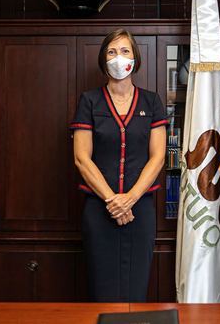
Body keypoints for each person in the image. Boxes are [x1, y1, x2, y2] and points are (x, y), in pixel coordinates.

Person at [70, 29, 167, 302]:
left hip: (141, 210)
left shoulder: (152, 101)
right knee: (102, 291)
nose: (118, 57)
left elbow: (158, 157)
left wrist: (130, 199)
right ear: (103, 59)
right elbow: (81, 158)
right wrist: (113, 200)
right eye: (112, 52)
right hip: (99, 209)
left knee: (136, 292)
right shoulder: (89, 101)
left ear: (135, 58)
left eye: (125, 51)